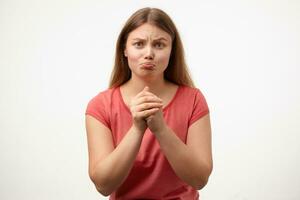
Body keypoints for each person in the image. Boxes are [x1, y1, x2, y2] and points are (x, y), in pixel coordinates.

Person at [85, 7, 213, 200]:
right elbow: (103, 185)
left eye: (159, 45)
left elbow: (200, 179)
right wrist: (137, 128)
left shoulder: (193, 100)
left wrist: (161, 128)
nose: (149, 53)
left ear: (172, 51)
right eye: (138, 44)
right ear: (124, 50)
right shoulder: (100, 106)